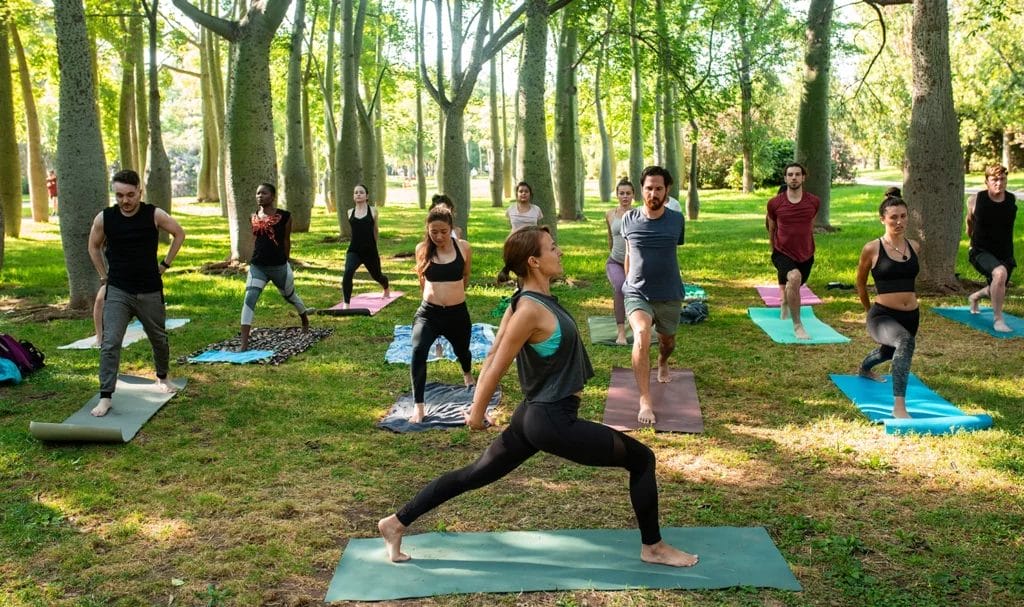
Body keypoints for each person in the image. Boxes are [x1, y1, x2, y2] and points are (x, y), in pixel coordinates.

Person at [377, 226, 699, 569]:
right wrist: (476, 413)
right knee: (642, 459)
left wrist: (477, 408)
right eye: (552, 248)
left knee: (474, 475)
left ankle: (395, 523)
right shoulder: (529, 309)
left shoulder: (526, 302)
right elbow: (497, 362)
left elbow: (491, 356)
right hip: (551, 419)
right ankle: (653, 547)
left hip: (532, 416)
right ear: (534, 261)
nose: (558, 252)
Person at [87, 169, 186, 417]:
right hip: (118, 290)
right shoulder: (105, 218)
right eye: (119, 195)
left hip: (150, 289)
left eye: (130, 195)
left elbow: (179, 233)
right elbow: (93, 245)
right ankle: (106, 396)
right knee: (110, 343)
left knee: (159, 339)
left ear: (139, 192)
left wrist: (165, 265)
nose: (125, 200)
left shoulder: (154, 214)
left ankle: (162, 377)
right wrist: (103, 276)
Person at [621, 166, 686, 425]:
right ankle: (645, 399)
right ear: (642, 190)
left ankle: (662, 361)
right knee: (641, 334)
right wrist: (628, 282)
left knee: (667, 342)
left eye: (659, 188)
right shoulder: (629, 219)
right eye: (649, 188)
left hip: (669, 293)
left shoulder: (676, 220)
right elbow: (628, 254)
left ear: (667, 190)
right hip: (637, 293)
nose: (653, 193)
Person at [855, 188, 919, 419]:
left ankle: (864, 368)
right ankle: (899, 408)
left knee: (889, 353)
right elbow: (860, 283)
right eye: (893, 217)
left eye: (903, 216)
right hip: (881, 315)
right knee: (904, 342)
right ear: (883, 219)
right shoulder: (872, 248)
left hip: (911, 316)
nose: (899, 221)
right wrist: (867, 310)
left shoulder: (914, 246)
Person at [410, 207, 475, 423]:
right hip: (428, 314)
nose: (438, 236)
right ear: (427, 230)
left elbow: (465, 275)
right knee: (418, 351)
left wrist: (454, 295)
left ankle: (467, 373)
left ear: (452, 229)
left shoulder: (464, 247)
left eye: (443, 232)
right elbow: (422, 280)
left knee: (462, 351)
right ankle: (419, 406)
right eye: (433, 232)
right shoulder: (422, 249)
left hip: (457, 314)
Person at [239, 183, 310, 351]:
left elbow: (286, 240)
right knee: (249, 300)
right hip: (258, 267)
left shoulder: (285, 216)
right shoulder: (253, 216)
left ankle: (305, 321)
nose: (259, 196)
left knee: (290, 297)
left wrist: (285, 260)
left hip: (279, 267)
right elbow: (257, 239)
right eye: (257, 193)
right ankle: (244, 343)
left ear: (273, 196)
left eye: (263, 193)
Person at [766, 162, 820, 340]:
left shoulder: (813, 201)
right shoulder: (774, 203)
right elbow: (772, 227)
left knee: (795, 284)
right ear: (785, 178)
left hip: (806, 253)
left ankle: (784, 302)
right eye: (790, 175)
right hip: (782, 252)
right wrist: (772, 248)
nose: (794, 177)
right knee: (794, 278)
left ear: (803, 177)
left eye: (797, 174)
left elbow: (810, 224)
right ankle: (798, 326)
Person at [966, 165, 1017, 333]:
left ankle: (974, 297)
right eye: (995, 179)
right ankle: (998, 320)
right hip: (980, 251)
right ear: (986, 181)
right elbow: (970, 221)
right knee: (1000, 274)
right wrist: (970, 239)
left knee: (998, 284)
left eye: (1003, 179)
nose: (999, 183)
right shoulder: (975, 199)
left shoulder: (1011, 200)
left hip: (1004, 253)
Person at [341, 184, 390, 309]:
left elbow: (375, 230)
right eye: (356, 192)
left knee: (377, 276)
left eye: (361, 192)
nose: (358, 194)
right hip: (354, 250)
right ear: (353, 196)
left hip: (370, 251)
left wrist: (374, 246)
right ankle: (346, 304)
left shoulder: (373, 211)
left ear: (366, 196)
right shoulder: (349, 212)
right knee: (348, 272)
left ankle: (386, 287)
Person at [605, 178, 636, 345]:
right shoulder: (610, 214)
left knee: (636, 291)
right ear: (617, 195)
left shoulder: (639, 214)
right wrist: (612, 254)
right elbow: (610, 238)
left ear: (633, 195)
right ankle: (621, 332)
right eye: (621, 193)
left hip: (635, 263)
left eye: (628, 193)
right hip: (615, 262)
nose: (625, 197)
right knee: (619, 286)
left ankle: (637, 323)